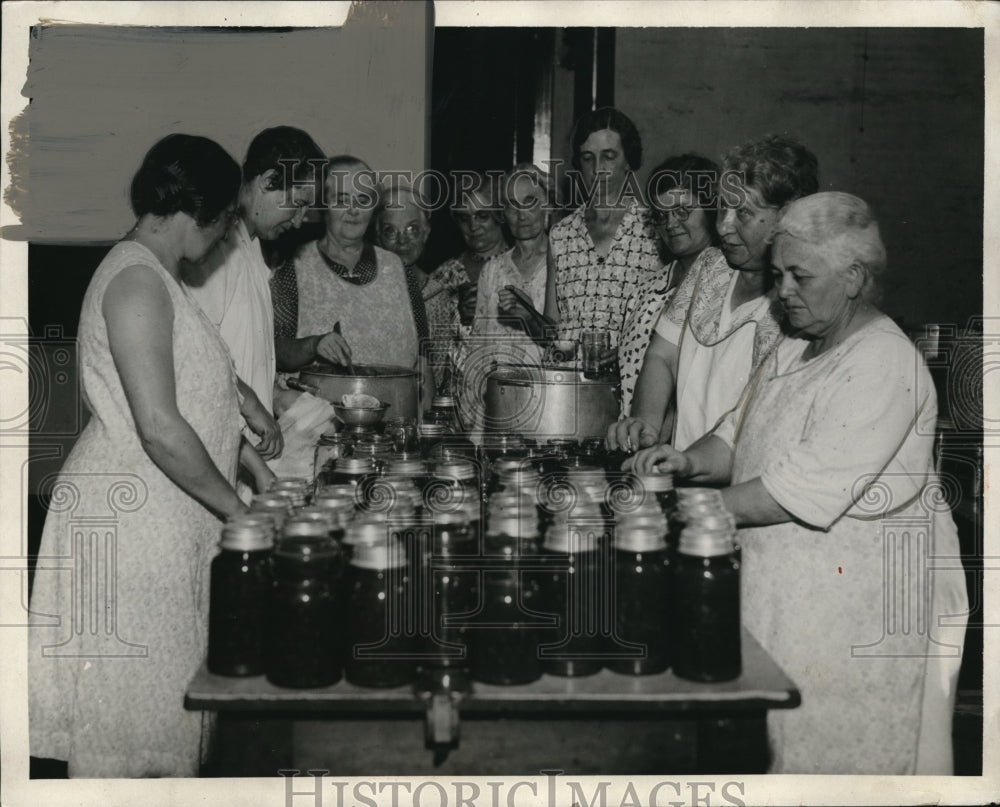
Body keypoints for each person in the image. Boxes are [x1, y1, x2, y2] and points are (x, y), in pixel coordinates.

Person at [626, 192, 968, 774]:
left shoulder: (883, 364)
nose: (782, 290)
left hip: (856, 625)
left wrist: (687, 515)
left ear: (854, 277)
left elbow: (799, 488)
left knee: (842, 761)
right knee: (779, 755)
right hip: (784, 609)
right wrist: (684, 462)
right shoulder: (794, 342)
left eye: (799, 276)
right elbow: (737, 432)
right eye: (778, 273)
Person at [28, 135, 263, 777]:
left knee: (163, 722)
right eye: (223, 228)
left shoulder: (159, 276)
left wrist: (247, 417)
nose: (221, 244)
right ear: (204, 212)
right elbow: (159, 427)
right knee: (133, 736)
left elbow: (190, 377)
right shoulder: (136, 280)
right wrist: (235, 508)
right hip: (129, 526)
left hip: (162, 524)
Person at [608, 134, 817, 453]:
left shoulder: (801, 300)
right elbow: (663, 355)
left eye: (743, 214)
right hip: (687, 477)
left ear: (787, 217)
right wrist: (646, 423)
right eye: (722, 209)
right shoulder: (710, 267)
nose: (723, 227)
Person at [185, 125, 326, 460]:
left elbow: (239, 353)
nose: (299, 221)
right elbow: (194, 365)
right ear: (267, 181)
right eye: (298, 204)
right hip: (213, 449)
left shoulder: (251, 249)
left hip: (242, 453)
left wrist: (278, 395)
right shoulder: (212, 250)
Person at [270, 155, 435, 408]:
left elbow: (424, 364)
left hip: (396, 428)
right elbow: (274, 352)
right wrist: (313, 345)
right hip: (318, 430)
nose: (353, 210)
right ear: (323, 206)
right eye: (341, 200)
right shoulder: (294, 268)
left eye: (363, 199)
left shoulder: (399, 270)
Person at [544, 107, 660, 352]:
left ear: (629, 159)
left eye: (609, 156)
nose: (597, 169)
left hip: (632, 385)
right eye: (588, 158)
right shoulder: (561, 234)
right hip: (569, 383)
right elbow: (552, 327)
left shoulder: (656, 228)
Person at [617, 153, 722, 416]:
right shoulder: (647, 289)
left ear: (711, 210)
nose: (671, 224)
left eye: (683, 211)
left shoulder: (728, 283)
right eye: (661, 215)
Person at [461, 164, 551, 429]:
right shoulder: (493, 270)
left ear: (548, 205)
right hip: (499, 406)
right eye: (512, 206)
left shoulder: (564, 264)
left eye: (530, 202)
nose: (522, 214)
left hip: (548, 404)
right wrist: (471, 416)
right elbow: (479, 345)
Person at [424, 172, 510, 392]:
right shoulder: (446, 274)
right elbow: (428, 342)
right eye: (464, 218)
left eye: (482, 216)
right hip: (455, 395)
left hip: (508, 387)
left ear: (500, 215)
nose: (473, 226)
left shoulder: (521, 268)